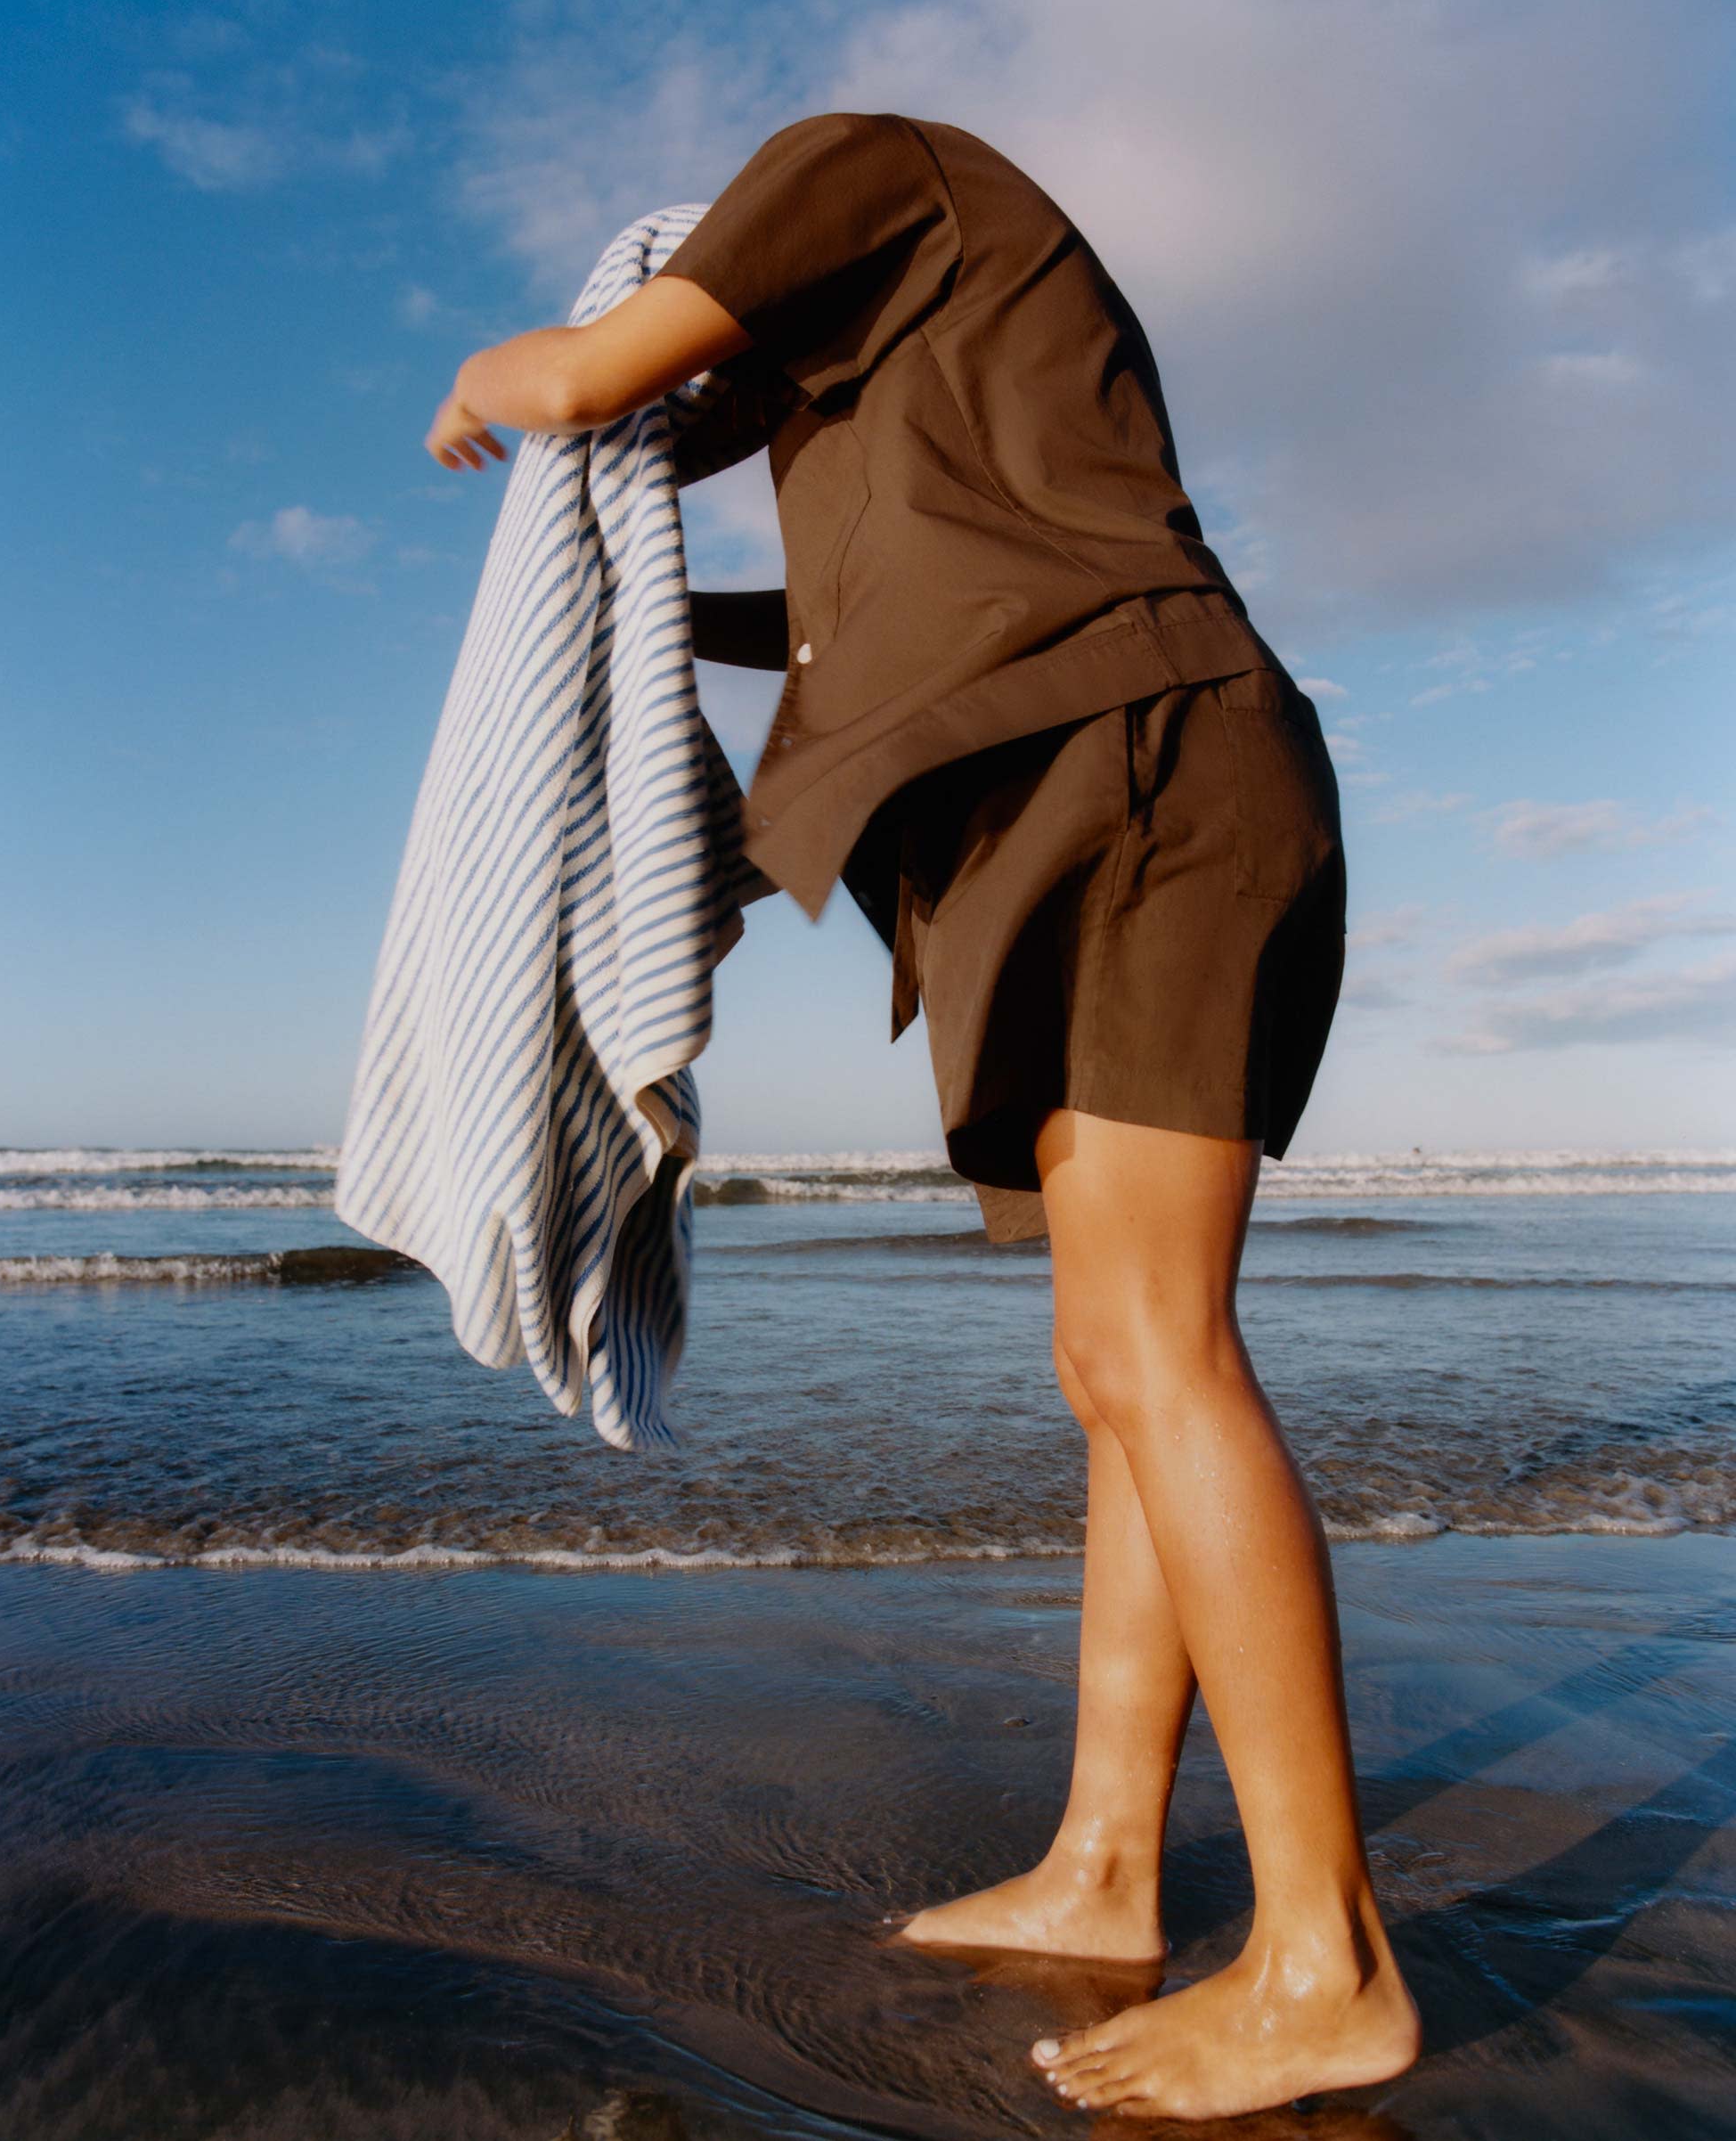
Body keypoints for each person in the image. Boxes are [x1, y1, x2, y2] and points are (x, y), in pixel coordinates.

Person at [422, 110, 1422, 2124]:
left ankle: (1332, 1959)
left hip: (1149, 768)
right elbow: (819, 621)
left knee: (1158, 1346)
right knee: (1111, 1360)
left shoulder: (869, 162)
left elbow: (587, 377)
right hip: (1093, 786)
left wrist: (501, 379)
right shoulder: (911, 412)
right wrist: (622, 609)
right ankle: (1107, 1862)